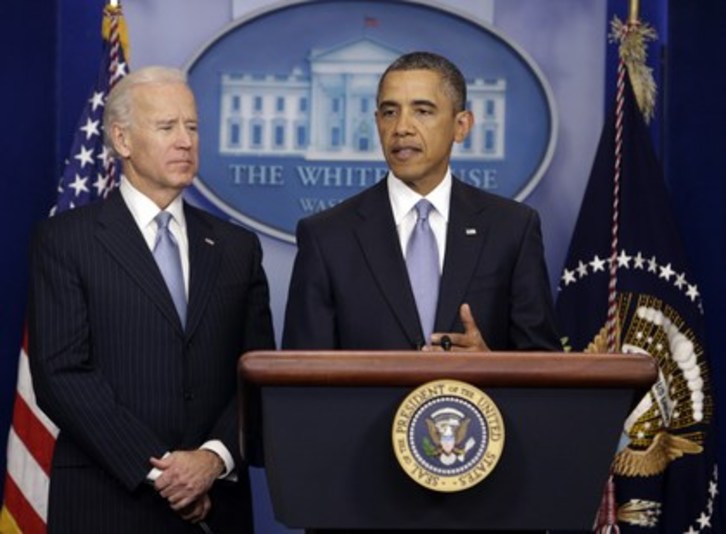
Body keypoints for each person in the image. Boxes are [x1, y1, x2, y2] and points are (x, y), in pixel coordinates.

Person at [28, 66, 274, 533]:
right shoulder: (66, 241)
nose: (185, 140)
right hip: (107, 501)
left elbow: (258, 371)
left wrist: (211, 459)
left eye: (192, 127)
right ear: (121, 140)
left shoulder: (236, 247)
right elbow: (61, 374)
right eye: (167, 127)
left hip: (216, 506)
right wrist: (165, 475)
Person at [282, 51, 561, 353]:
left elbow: (542, 368)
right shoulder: (326, 237)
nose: (402, 127)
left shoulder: (512, 229)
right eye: (389, 112)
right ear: (377, 123)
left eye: (423, 111)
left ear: (461, 125)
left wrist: (491, 366)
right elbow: (301, 379)